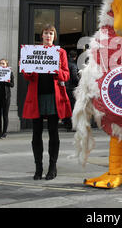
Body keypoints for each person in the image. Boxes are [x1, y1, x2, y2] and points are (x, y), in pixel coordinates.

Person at [22, 24, 72, 180]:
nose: (48, 35)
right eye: (46, 33)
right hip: (36, 97)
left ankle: (52, 167)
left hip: (53, 97)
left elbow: (66, 75)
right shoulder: (32, 52)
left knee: (53, 132)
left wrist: (57, 70)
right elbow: (27, 76)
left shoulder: (60, 52)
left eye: (51, 33)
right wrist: (28, 70)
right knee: (36, 134)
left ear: (54, 37)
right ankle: (38, 168)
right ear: (41, 36)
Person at [0, 59, 14, 139]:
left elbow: (12, 85)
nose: (1, 64)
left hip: (6, 96)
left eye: (3, 63)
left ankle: (4, 132)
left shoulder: (10, 73)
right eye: (0, 63)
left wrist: (6, 80)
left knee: (5, 115)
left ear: (6, 65)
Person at [62, 50, 79, 132]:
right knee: (73, 106)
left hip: (65, 87)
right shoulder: (74, 65)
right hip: (71, 88)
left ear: (68, 56)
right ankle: (72, 124)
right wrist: (80, 83)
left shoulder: (65, 64)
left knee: (66, 106)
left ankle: (66, 123)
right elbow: (75, 77)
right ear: (75, 57)